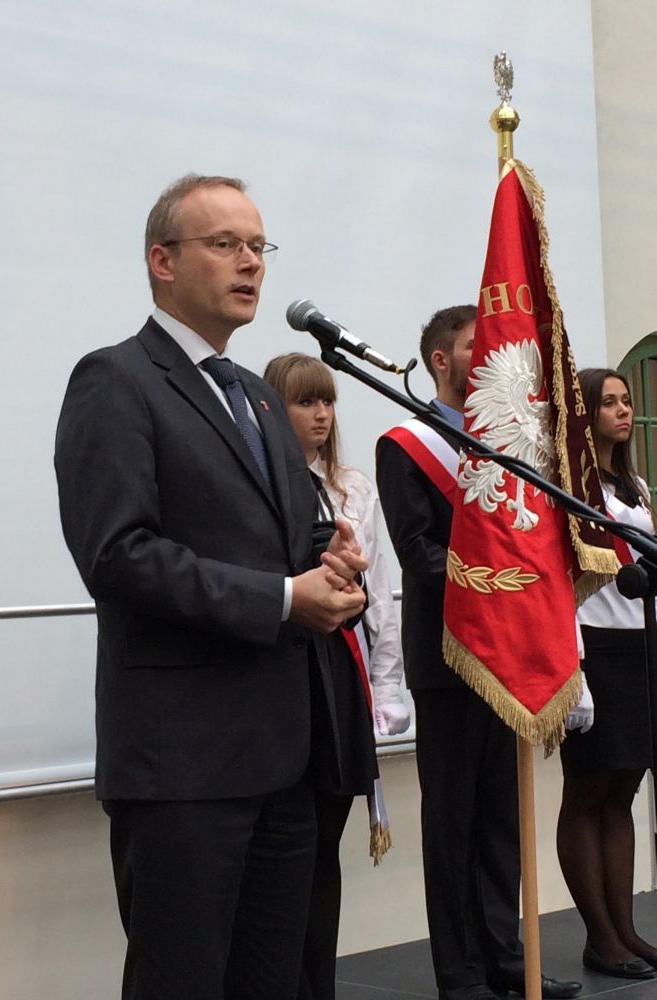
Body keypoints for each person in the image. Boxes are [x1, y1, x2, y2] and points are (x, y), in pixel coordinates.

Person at [54, 173, 368, 1000]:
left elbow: (291, 537)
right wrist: (284, 600)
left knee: (274, 983)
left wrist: (335, 562)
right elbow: (118, 555)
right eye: (225, 244)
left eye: (259, 246)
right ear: (163, 261)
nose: (251, 263)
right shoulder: (115, 381)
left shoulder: (258, 397)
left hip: (284, 759)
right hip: (183, 768)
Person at [375, 305, 582, 1000]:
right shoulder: (407, 444)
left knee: (502, 820)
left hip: (507, 655)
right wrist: (503, 578)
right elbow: (419, 553)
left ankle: (506, 958)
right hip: (449, 657)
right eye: (475, 345)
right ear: (441, 360)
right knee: (453, 823)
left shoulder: (507, 440)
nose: (490, 354)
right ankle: (460, 973)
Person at [263, 352, 408, 1000]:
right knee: (284, 853)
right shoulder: (261, 486)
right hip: (288, 667)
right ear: (273, 408)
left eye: (328, 401)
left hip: (341, 669)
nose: (321, 414)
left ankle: (318, 981)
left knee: (325, 844)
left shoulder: (352, 486)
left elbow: (379, 594)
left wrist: (387, 682)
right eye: (305, 401)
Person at [557, 367, 657, 981]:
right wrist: (572, 668)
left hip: (638, 643)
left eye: (626, 401)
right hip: (592, 645)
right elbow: (564, 579)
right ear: (586, 414)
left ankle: (626, 929)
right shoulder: (575, 487)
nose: (622, 411)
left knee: (623, 791)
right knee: (588, 791)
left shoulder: (636, 486)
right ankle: (600, 936)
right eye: (609, 402)